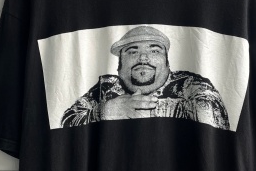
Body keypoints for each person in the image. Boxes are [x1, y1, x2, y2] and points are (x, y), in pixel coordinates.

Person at [61, 24, 230, 128]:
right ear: (119, 64)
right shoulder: (106, 86)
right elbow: (67, 121)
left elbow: (213, 119)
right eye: (132, 51)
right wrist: (103, 111)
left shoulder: (190, 84)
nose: (143, 58)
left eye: (154, 50)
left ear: (167, 62)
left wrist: (145, 109)